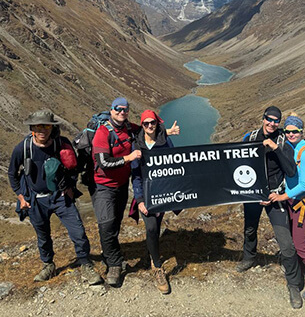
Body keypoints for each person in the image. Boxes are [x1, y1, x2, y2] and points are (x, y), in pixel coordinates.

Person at [91, 97, 179, 287]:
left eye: (125, 109)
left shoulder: (130, 128)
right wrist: (128, 158)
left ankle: (141, 256)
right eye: (118, 109)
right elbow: (102, 162)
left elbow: (149, 132)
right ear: (111, 110)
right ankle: (114, 265)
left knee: (116, 224)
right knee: (107, 225)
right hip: (104, 186)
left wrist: (167, 132)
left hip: (122, 185)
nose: (121, 112)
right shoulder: (102, 132)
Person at [8, 109, 102, 285]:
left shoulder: (62, 144)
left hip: (60, 197)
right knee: (43, 236)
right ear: (32, 129)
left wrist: (71, 187)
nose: (42, 130)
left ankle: (85, 263)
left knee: (78, 232)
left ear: (52, 128)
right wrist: (21, 197)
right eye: (38, 126)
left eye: (46, 126)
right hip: (36, 200)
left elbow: (74, 167)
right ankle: (48, 264)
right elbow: (12, 174)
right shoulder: (23, 148)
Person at [236, 106, 304, 309]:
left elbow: (291, 170)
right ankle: (249, 257)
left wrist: (274, 147)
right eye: (269, 119)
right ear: (263, 118)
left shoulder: (284, 141)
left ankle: (294, 284)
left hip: (276, 196)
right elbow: (237, 161)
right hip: (253, 195)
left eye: (276, 120)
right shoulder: (250, 137)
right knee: (249, 228)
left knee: (286, 242)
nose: (272, 123)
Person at [269, 113, 305, 302]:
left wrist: (281, 196)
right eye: (287, 131)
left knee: (301, 246)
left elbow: (303, 185)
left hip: (302, 205)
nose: (290, 134)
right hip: (292, 202)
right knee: (295, 242)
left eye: (295, 131)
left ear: (302, 132)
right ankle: (301, 271)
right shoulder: (290, 147)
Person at [131, 110, 177, 294]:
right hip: (145, 194)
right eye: (146, 123)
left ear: (157, 124)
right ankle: (157, 266)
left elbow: (175, 164)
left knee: (156, 226)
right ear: (141, 125)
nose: (150, 126)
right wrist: (140, 199)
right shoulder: (136, 144)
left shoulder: (165, 141)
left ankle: (152, 250)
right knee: (150, 227)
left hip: (162, 193)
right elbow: (135, 176)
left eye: (153, 123)